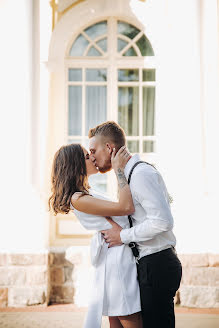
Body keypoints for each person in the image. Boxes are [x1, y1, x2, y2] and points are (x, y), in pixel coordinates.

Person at [88, 121, 182, 328]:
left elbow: (163, 221)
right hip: (148, 265)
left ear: (109, 148)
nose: (92, 157)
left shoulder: (140, 175)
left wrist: (122, 236)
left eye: (93, 150)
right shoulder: (128, 175)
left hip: (157, 264)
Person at [49, 143, 143, 328]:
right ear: (75, 165)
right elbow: (126, 208)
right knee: (130, 318)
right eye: (86, 156)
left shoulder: (87, 193)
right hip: (118, 264)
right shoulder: (78, 199)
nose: (92, 157)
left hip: (116, 258)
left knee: (118, 319)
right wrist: (119, 171)